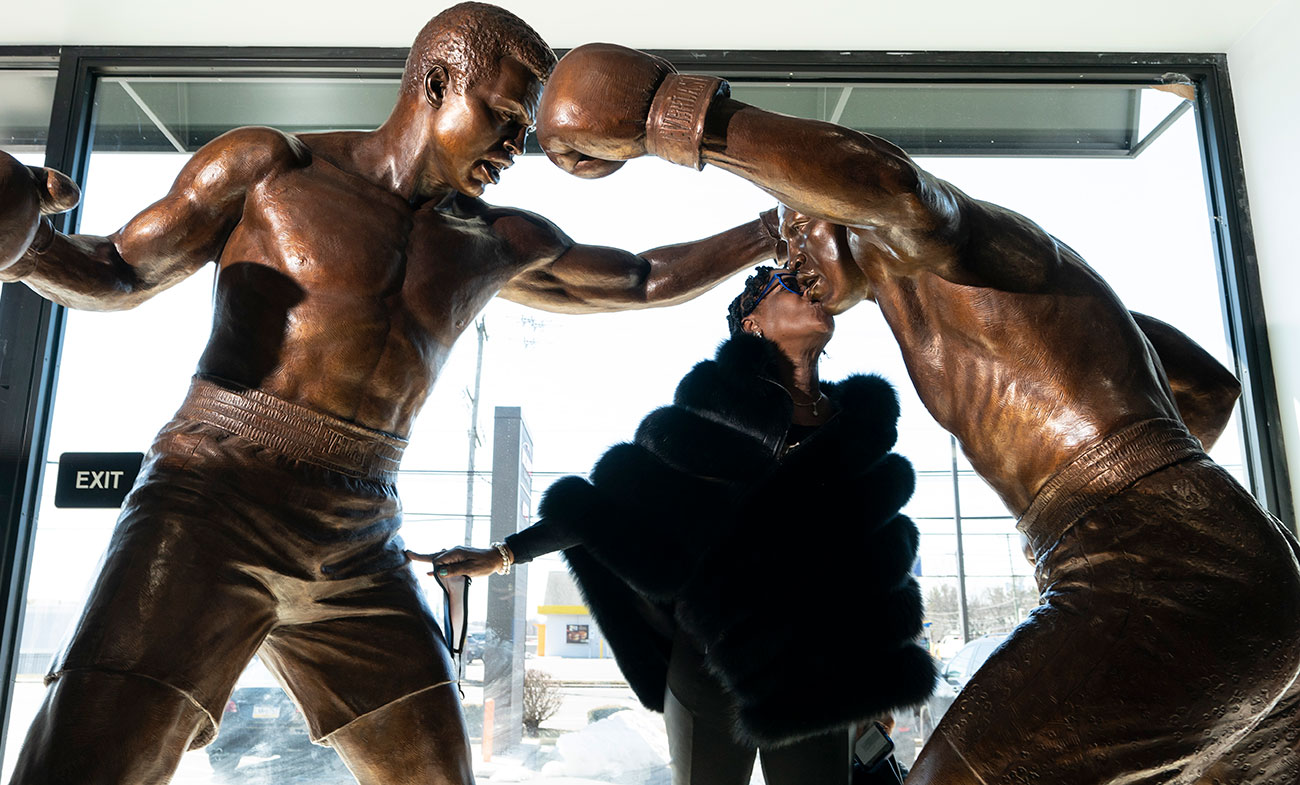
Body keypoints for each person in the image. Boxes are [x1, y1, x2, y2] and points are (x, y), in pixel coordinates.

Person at [0, 12, 785, 785]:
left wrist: (769, 227)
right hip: (212, 503)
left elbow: (639, 278)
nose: (517, 143)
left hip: (360, 536)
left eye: (526, 124)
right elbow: (118, 268)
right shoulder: (272, 168)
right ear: (438, 81)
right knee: (85, 764)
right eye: (506, 114)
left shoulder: (494, 240)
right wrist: (17, 247)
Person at [529, 43, 1300, 785]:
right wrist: (1145, 497)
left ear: (843, 203)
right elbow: (1208, 387)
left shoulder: (943, 237)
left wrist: (663, 109)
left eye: (797, 227)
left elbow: (890, 184)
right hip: (1241, 569)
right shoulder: (1022, 297)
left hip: (1155, 573)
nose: (790, 256)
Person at [417, 265, 933, 785]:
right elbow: (602, 510)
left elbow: (874, 572)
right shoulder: (700, 419)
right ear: (752, 323)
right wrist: (503, 555)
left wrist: (879, 677)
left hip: (821, 669)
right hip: (711, 662)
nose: (810, 287)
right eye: (790, 284)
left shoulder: (857, 433)